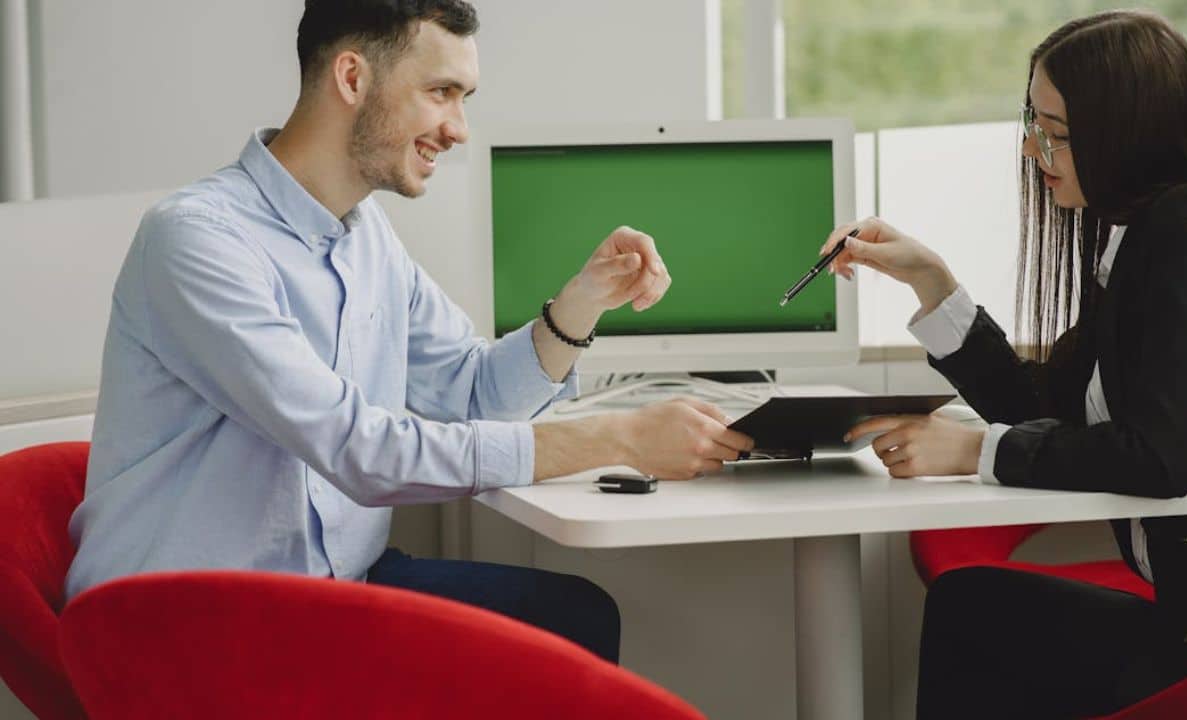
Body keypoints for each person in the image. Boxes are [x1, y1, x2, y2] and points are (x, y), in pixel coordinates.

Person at [65, 0, 754, 664]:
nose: (459, 129)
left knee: (573, 617)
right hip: (185, 626)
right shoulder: (199, 239)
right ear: (352, 77)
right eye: (441, 92)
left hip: (326, 593)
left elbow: (476, 394)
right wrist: (620, 438)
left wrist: (582, 301)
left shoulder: (367, 239)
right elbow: (360, 450)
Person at [826, 10, 1187, 718]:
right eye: (1033, 125)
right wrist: (931, 282)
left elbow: (1163, 458)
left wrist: (975, 450)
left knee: (973, 616)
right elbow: (1041, 405)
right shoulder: (1142, 233)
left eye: (1058, 134)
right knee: (971, 607)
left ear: (1128, 132)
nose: (1034, 150)